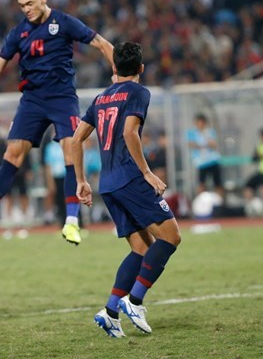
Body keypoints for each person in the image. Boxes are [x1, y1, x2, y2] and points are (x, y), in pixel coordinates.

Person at [0, 0, 114, 256]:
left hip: (62, 98)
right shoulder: (19, 32)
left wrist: (117, 73)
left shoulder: (64, 22)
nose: (26, 10)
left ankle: (71, 221)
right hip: (32, 100)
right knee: (13, 154)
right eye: (22, 6)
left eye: (30, 4)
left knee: (71, 150)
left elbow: (100, 43)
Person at [71, 42, 181, 338]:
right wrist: (147, 173)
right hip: (131, 178)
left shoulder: (101, 98)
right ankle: (134, 301)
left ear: (114, 68)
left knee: (142, 248)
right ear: (141, 69)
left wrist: (81, 180)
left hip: (108, 184)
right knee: (171, 237)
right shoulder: (138, 92)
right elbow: (130, 131)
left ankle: (109, 312)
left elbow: (75, 140)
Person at [187, 114, 224, 198]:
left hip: (213, 161)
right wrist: (205, 144)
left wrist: (202, 143)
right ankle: (200, 201)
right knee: (201, 183)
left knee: (218, 183)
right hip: (201, 162)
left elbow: (213, 144)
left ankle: (220, 202)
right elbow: (191, 144)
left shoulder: (210, 132)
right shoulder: (192, 133)